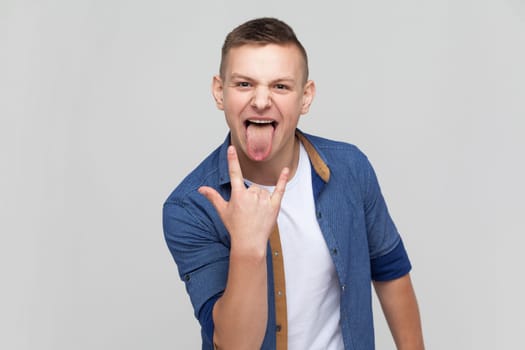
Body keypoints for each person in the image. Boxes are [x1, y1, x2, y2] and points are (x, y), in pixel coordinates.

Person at [163, 17, 424, 350]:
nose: (260, 101)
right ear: (219, 91)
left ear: (306, 97)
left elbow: (390, 269)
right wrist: (247, 247)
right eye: (244, 84)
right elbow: (233, 344)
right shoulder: (191, 206)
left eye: (280, 86)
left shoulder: (350, 169)